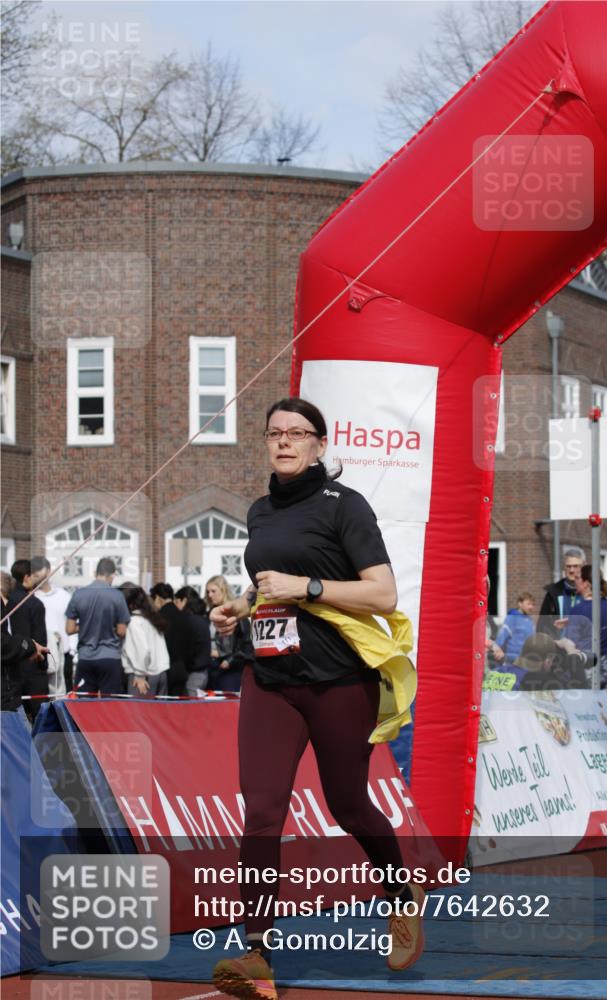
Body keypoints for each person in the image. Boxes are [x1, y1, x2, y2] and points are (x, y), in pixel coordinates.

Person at [210, 397, 421, 1000]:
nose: (283, 442)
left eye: (297, 434)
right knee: (262, 809)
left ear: (320, 446)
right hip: (270, 676)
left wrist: (309, 585)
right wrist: (242, 610)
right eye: (274, 433)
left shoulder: (345, 506)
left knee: (348, 805)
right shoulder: (258, 510)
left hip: (337, 679)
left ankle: (401, 893)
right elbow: (270, 588)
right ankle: (256, 953)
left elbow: (383, 595)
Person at [65, 557, 130, 695]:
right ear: (112, 574)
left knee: (84, 706)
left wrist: (87, 625)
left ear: (96, 573)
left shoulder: (78, 594)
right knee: (110, 705)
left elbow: (69, 629)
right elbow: (122, 631)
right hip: (110, 657)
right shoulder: (117, 596)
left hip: (85, 657)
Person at [564, 564, 607, 688]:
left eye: (578, 578)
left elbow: (572, 643)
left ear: (587, 584)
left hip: (586, 669)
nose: (574, 580)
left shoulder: (578, 610)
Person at [6, 558, 49, 712]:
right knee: (39, 713)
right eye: (35, 576)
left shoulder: (7, 600)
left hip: (11, 663)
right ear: (27, 577)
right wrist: (44, 664)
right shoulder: (34, 604)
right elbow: (40, 637)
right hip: (33, 663)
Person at [119, 583, 170, 697]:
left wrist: (139, 675)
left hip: (142, 676)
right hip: (161, 673)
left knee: (138, 714)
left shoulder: (134, 622)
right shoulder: (151, 618)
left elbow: (143, 650)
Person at [205, 574, 254, 692]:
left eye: (213, 591)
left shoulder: (236, 612)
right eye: (207, 592)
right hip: (213, 667)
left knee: (228, 706)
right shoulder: (209, 614)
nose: (210, 595)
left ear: (223, 590)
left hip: (231, 669)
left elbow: (246, 643)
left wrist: (230, 660)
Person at [31, 556, 72, 695]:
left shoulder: (64, 596)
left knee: (61, 692)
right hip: (38, 654)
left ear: (48, 571)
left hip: (64, 654)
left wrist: (72, 651)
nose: (37, 578)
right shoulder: (31, 598)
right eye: (34, 574)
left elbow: (71, 623)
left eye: (39, 573)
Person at [150, 582, 190, 696]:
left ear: (157, 598)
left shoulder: (158, 618)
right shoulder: (183, 615)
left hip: (164, 669)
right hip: (182, 668)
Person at [537, 547, 585, 636]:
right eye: (568, 566)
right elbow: (542, 625)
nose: (571, 570)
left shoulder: (590, 593)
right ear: (564, 567)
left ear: (583, 567)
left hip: (584, 647)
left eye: (575, 566)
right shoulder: (553, 593)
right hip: (558, 647)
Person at [174, 585, 211, 696]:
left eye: (176, 601)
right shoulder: (202, 619)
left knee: (191, 707)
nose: (175, 605)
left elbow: (188, 648)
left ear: (184, 600)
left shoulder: (189, 621)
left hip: (194, 672)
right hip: (202, 671)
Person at [494, 591, 536, 664]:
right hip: (512, 661)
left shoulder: (530, 621)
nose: (531, 607)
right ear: (520, 604)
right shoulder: (512, 618)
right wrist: (496, 650)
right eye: (528, 604)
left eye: (533, 604)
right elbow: (502, 636)